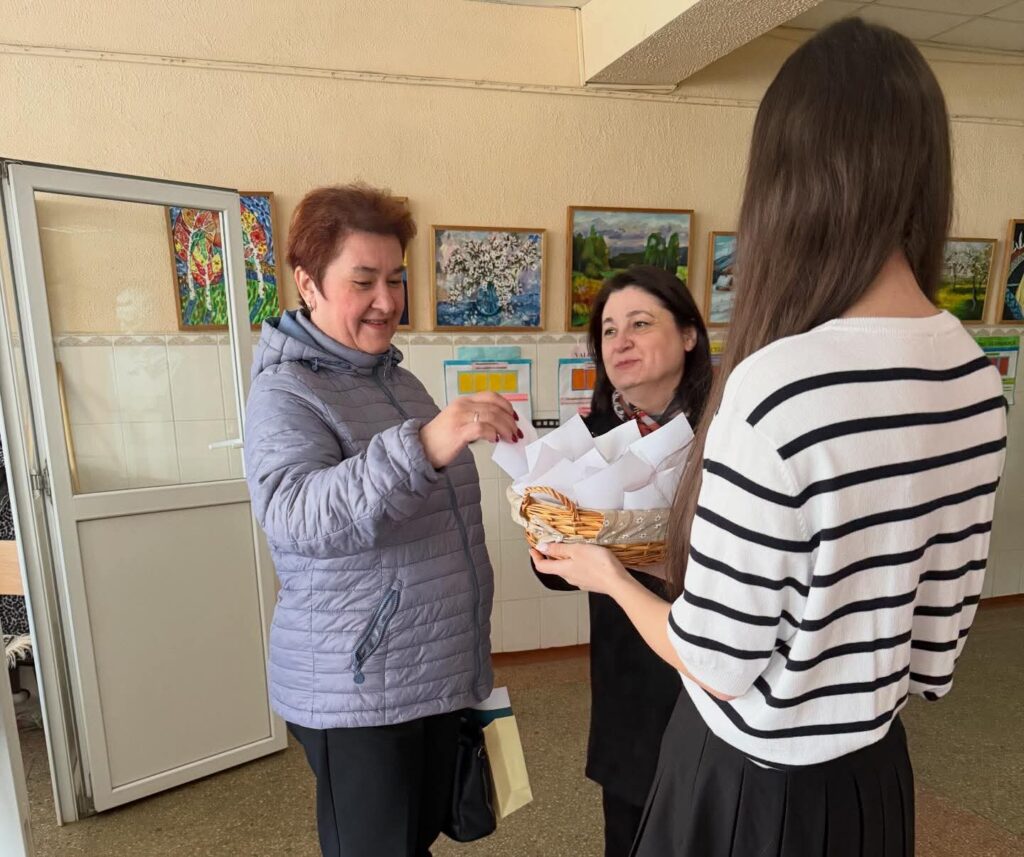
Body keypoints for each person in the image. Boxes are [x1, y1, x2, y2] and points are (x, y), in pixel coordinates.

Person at [533, 18, 1007, 857]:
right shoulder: (973, 376)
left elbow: (718, 663)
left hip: (752, 785)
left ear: (787, 182)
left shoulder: (776, 383)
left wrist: (607, 575)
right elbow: (936, 653)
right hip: (873, 775)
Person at [244, 183, 521, 857]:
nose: (388, 301)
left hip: (426, 667)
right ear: (308, 284)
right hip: (360, 683)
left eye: (395, 279)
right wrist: (424, 444)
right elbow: (294, 515)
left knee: (412, 839)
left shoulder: (395, 380)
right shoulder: (287, 392)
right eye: (363, 280)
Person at [533, 265, 712, 857]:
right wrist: (550, 549)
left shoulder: (728, 428)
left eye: (640, 324)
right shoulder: (589, 435)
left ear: (689, 334)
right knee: (631, 832)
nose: (621, 342)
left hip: (715, 661)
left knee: (712, 824)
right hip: (629, 674)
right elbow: (554, 571)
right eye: (609, 331)